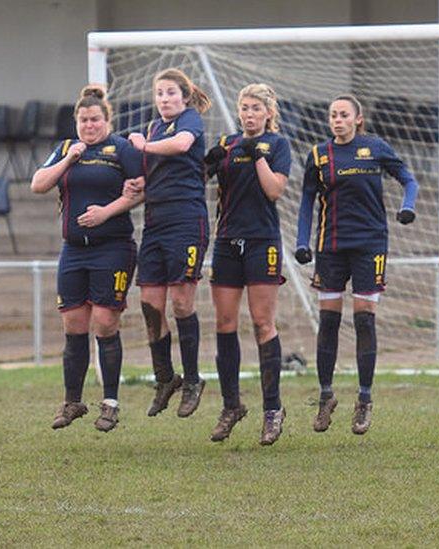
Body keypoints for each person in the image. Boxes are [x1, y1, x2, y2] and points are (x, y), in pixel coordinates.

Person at [295, 94, 419, 436]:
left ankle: (364, 400)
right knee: (329, 321)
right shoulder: (319, 155)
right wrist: (302, 241)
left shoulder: (375, 148)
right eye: (333, 114)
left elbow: (408, 178)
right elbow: (307, 200)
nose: (337, 120)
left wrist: (408, 206)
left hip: (370, 245)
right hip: (331, 246)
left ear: (357, 119)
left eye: (344, 114)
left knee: (364, 319)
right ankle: (326, 396)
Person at [31, 86, 145, 432]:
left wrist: (107, 212)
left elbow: (144, 189)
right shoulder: (66, 149)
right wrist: (69, 159)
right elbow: (38, 184)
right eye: (83, 120)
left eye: (95, 119)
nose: (89, 125)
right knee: (73, 325)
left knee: (105, 322)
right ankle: (72, 401)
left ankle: (110, 403)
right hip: (73, 251)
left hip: (112, 247)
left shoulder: (121, 149)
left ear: (107, 120)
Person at [202, 83, 291, 445]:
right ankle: (231, 405)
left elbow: (274, 190)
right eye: (245, 107)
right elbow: (194, 176)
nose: (249, 113)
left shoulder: (277, 146)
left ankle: (273, 410)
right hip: (226, 243)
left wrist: (257, 156)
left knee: (261, 323)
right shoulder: (225, 145)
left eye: (256, 108)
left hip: (262, 243)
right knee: (224, 323)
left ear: (268, 112)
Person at [125, 68, 211, 418]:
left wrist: (144, 146)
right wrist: (137, 185)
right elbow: (155, 169)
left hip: (186, 220)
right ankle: (165, 378)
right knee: (149, 303)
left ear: (185, 96)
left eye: (171, 93)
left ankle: (192, 379)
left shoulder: (190, 121)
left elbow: (182, 146)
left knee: (180, 301)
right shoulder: (154, 127)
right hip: (156, 221)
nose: (164, 99)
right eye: (159, 93)